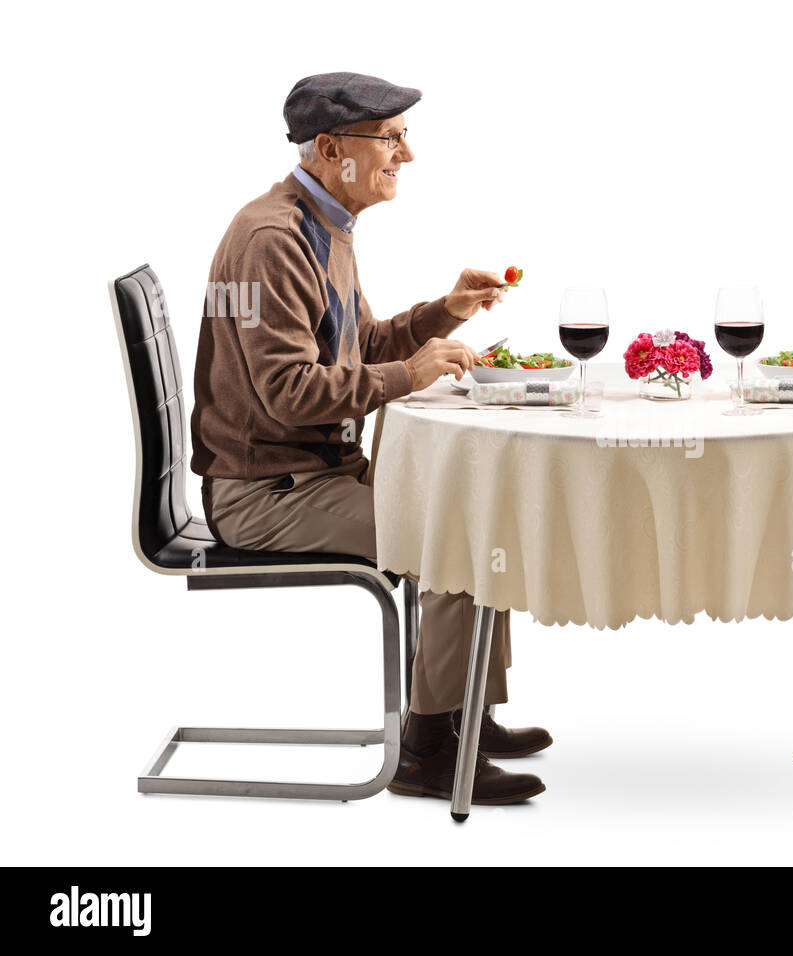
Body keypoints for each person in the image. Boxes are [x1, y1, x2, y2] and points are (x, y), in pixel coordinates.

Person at [190, 72, 550, 807]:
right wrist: (410, 376)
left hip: (312, 474)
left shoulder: (320, 226)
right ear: (330, 149)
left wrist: (443, 313)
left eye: (403, 137)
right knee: (456, 534)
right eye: (389, 139)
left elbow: (359, 347)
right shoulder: (273, 240)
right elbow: (290, 394)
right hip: (267, 492)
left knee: (479, 507)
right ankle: (428, 749)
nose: (405, 155)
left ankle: (463, 710)